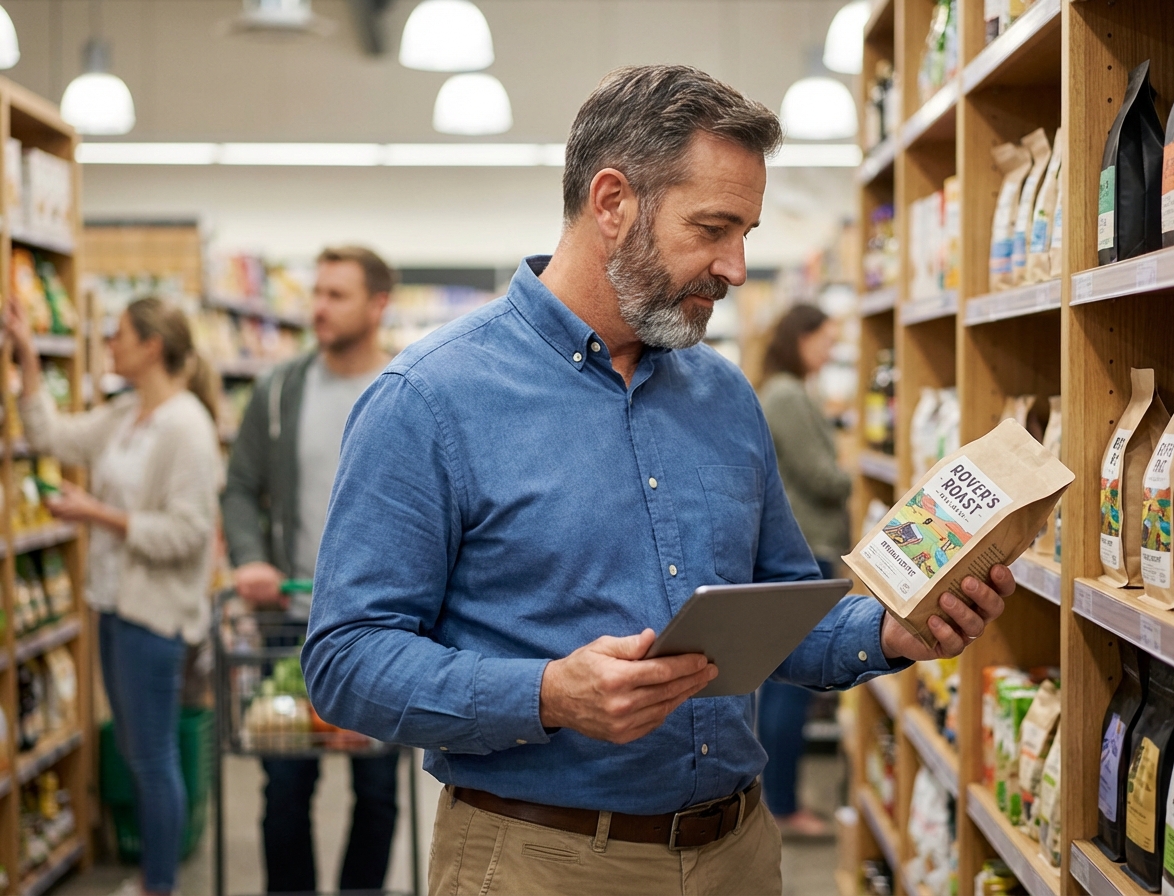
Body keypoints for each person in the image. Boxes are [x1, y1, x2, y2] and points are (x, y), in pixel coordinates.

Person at [302, 65, 1014, 896]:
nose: (738, 267)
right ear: (612, 203)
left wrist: (892, 632)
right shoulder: (428, 400)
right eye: (713, 228)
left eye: (745, 231)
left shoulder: (724, 395)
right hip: (539, 861)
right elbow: (346, 660)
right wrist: (548, 693)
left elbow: (778, 606)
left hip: (739, 852)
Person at [6, 297, 222, 896]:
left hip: (154, 616)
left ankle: (159, 886)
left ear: (152, 347)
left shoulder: (188, 427)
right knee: (136, 750)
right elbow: (52, 434)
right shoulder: (127, 415)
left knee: (152, 760)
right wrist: (24, 350)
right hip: (112, 605)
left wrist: (95, 513)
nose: (110, 345)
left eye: (118, 335)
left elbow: (187, 535)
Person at [221, 246, 398, 894]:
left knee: (378, 790)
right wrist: (250, 557)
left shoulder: (407, 387)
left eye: (336, 295)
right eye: (316, 292)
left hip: (386, 627)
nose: (316, 307)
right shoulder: (279, 392)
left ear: (378, 305)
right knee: (284, 788)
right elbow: (240, 487)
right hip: (290, 621)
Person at [757, 304, 851, 838]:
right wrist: (851, 474)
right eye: (825, 340)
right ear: (800, 339)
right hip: (805, 546)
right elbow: (822, 478)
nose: (830, 352)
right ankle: (785, 805)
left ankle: (779, 800)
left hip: (804, 544)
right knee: (790, 685)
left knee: (780, 684)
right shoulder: (788, 396)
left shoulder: (787, 391)